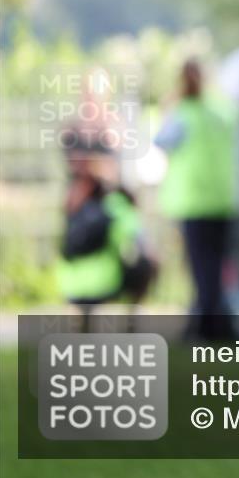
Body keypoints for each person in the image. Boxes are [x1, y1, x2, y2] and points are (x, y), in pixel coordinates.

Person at [155, 58, 239, 340]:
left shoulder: (182, 113)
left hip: (193, 202)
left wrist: (169, 107)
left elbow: (161, 141)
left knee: (200, 268)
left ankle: (207, 328)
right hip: (223, 200)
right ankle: (215, 325)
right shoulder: (224, 110)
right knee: (216, 268)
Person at [59, 129, 157, 331]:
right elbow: (135, 237)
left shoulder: (73, 201)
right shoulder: (115, 204)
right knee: (148, 263)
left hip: (70, 286)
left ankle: (84, 319)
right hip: (104, 282)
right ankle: (132, 318)